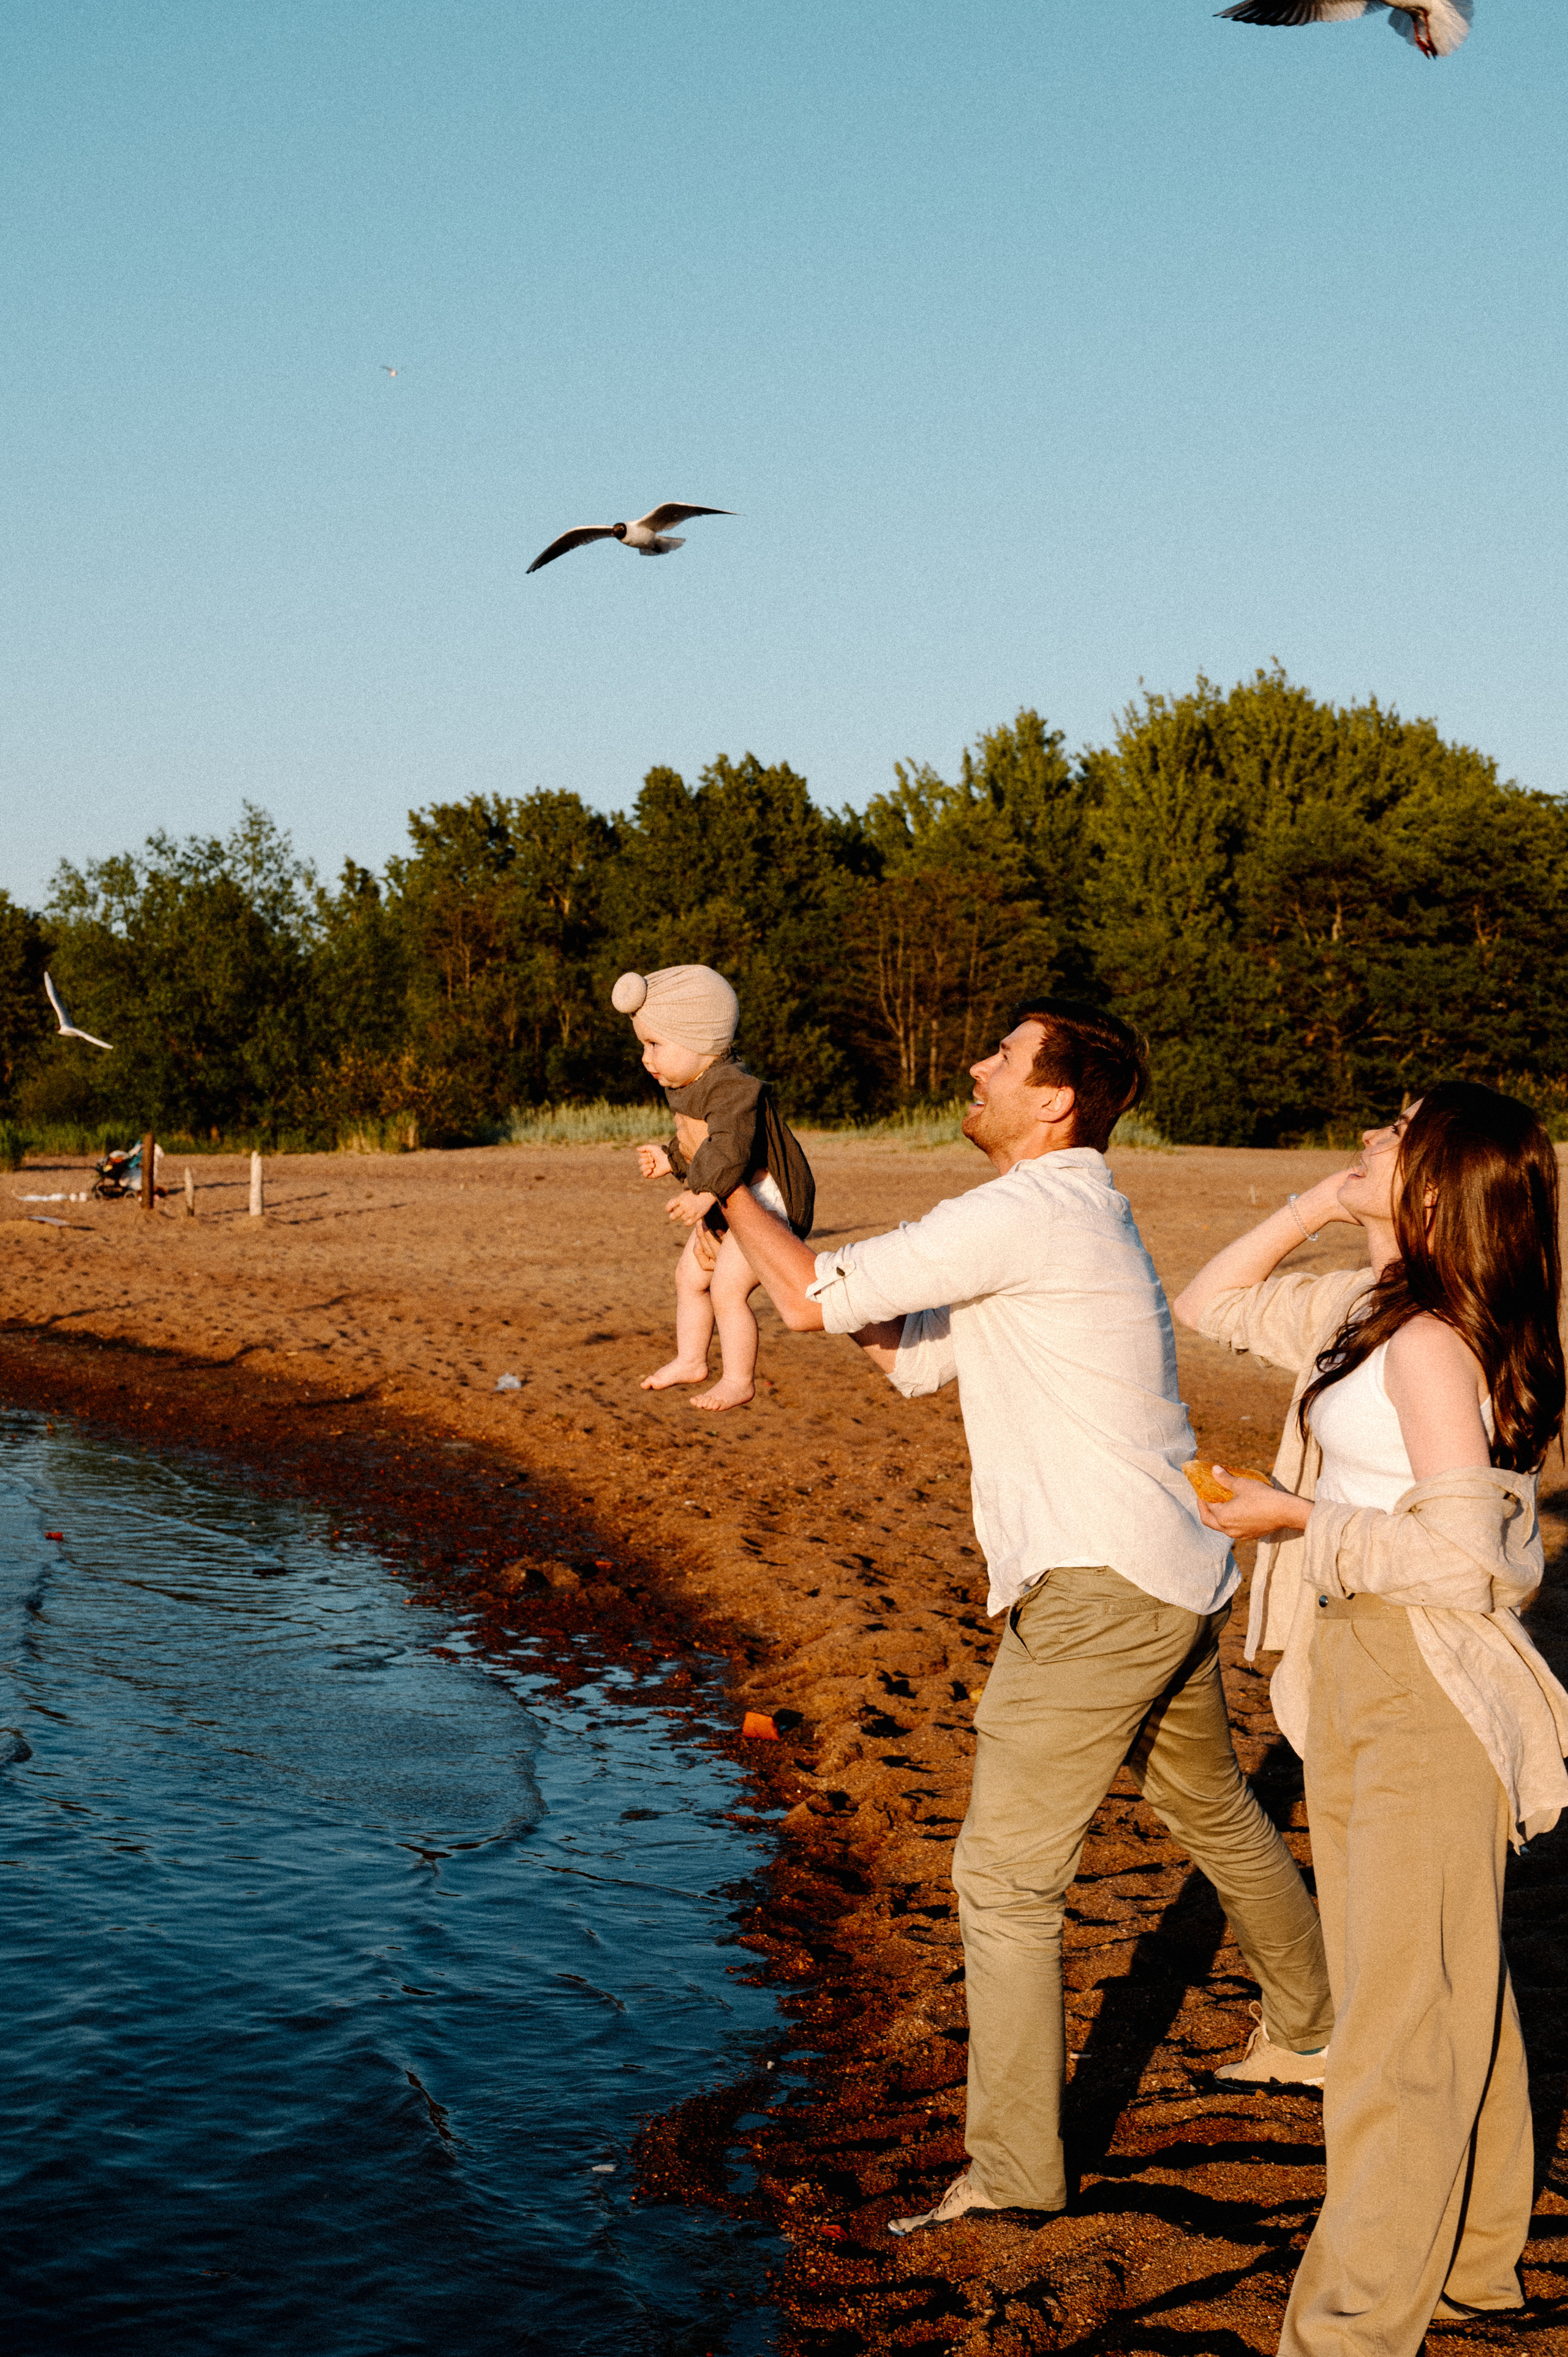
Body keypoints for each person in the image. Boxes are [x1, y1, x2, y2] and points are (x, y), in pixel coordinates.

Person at [721, 997, 1333, 2229]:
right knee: (1208, 1803)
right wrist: (753, 1219)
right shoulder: (1059, 1215)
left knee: (999, 1881)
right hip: (1162, 1566)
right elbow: (898, 1353)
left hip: (1100, 1587)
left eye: (999, 1055)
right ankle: (1313, 2028)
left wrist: (730, 1194)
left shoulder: (1027, 1207)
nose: (972, 1063)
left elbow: (804, 1301)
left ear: (1053, 1099)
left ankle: (1009, 2176)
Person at [1172, 1083, 1568, 2355]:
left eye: (1392, 1135)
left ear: (1439, 1179)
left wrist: (1296, 1522)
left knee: (1395, 2025)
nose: (1363, 1137)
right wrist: (1324, 1205)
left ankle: (1346, 2332)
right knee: (1444, 1981)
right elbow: (1209, 1304)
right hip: (1351, 1666)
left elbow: (1462, 1565)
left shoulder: (1427, 1346)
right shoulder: (1370, 1314)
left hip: (1418, 1681)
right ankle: (1477, 2263)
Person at [612, 964, 815, 1413]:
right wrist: (671, 1158)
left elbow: (730, 1145)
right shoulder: (691, 1084)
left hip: (772, 1200)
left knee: (727, 1288)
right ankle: (691, 1358)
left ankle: (739, 1378)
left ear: (700, 1038)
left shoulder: (732, 1086)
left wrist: (704, 1191)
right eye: (643, 1045)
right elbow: (700, 1144)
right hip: (730, 1192)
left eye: (655, 1044)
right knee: (689, 1277)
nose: (647, 1058)